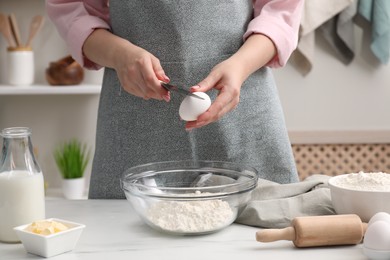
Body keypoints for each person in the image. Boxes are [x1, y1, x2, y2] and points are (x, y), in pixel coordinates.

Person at [46, 0, 304, 199]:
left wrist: (241, 65)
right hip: (135, 116)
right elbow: (72, 8)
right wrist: (118, 54)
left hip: (242, 103)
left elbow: (281, 7)